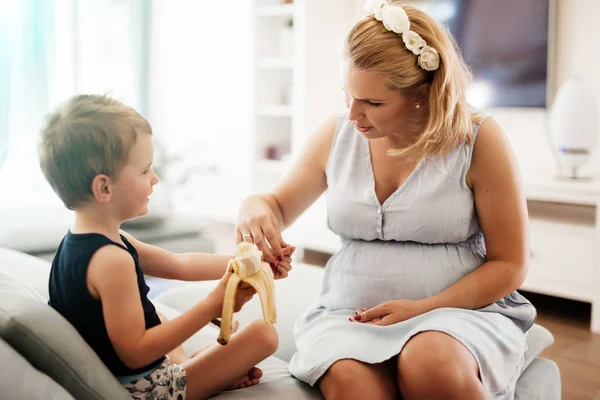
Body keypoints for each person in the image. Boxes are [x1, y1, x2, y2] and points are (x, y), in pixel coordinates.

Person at [235, 2, 536, 399]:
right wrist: (254, 207)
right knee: (350, 383)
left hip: (457, 313)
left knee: (430, 364)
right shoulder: (338, 133)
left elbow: (511, 264)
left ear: (421, 95)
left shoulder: (478, 140)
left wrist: (424, 307)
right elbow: (276, 204)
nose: (353, 114)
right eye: (349, 95)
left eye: (373, 104)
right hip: (350, 314)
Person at [39, 94, 295, 400]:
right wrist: (214, 305)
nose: (155, 178)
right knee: (263, 335)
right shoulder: (110, 262)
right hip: (146, 391)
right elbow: (136, 353)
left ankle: (199, 366)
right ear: (104, 187)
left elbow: (180, 264)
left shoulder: (91, 241)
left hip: (134, 374)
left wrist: (257, 262)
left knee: (154, 313)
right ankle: (200, 370)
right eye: (145, 170)